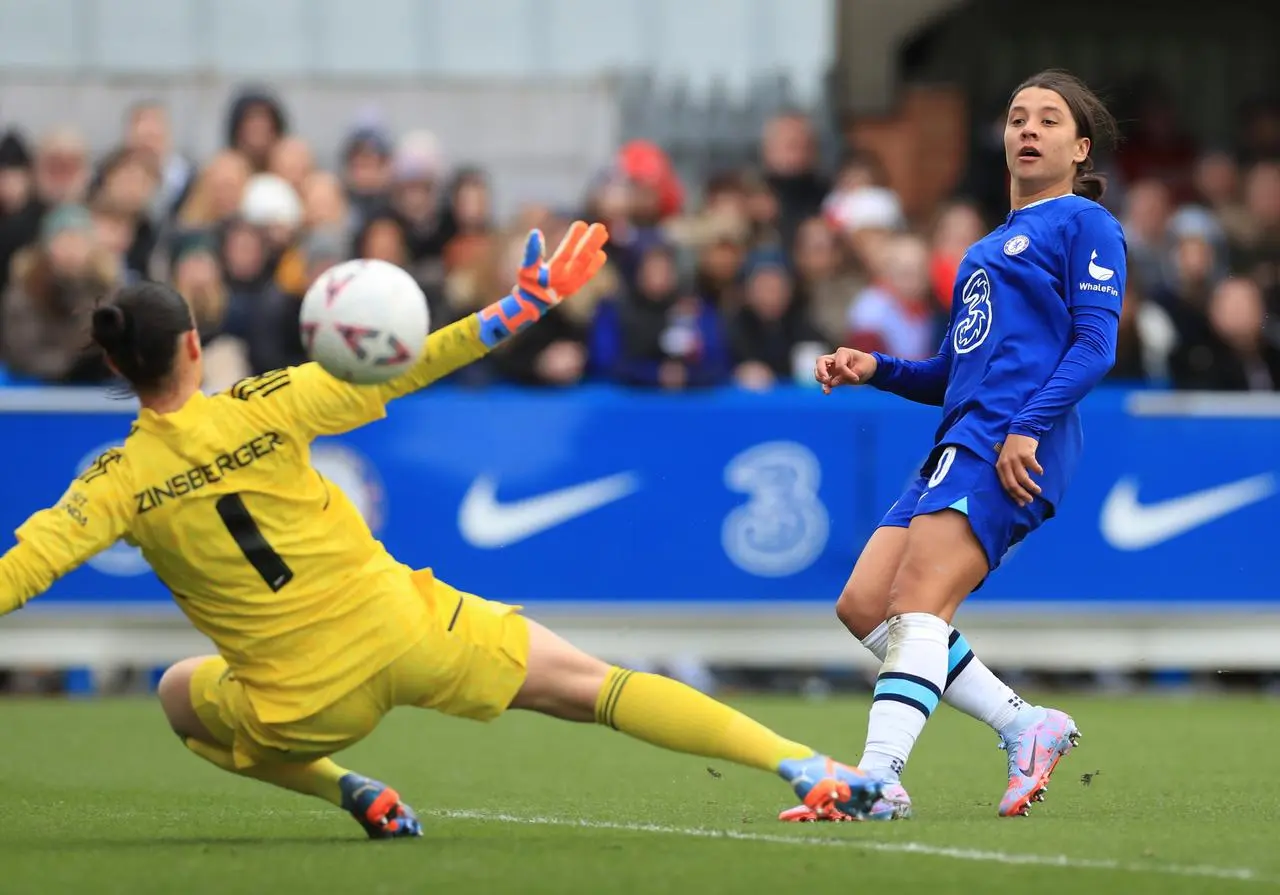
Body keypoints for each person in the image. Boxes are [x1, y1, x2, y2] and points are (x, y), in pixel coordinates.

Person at [0, 221, 881, 838]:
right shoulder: (265, 403)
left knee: (178, 693)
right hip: (407, 628)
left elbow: (24, 568)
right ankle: (804, 764)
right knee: (596, 686)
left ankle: (354, 789)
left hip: (301, 704)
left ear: (113, 365)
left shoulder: (113, 482)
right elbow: (418, 362)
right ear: (196, 346)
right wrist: (518, 306)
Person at [785, 70, 1125, 822]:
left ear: (1080, 147)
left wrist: (1028, 426)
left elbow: (1096, 345)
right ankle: (1023, 724)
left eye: (1048, 119)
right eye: (1016, 117)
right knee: (865, 603)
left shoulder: (1083, 223)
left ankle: (878, 777)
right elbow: (951, 370)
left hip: (1011, 441)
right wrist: (875, 368)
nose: (1028, 129)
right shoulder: (985, 249)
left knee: (916, 602)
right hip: (963, 436)